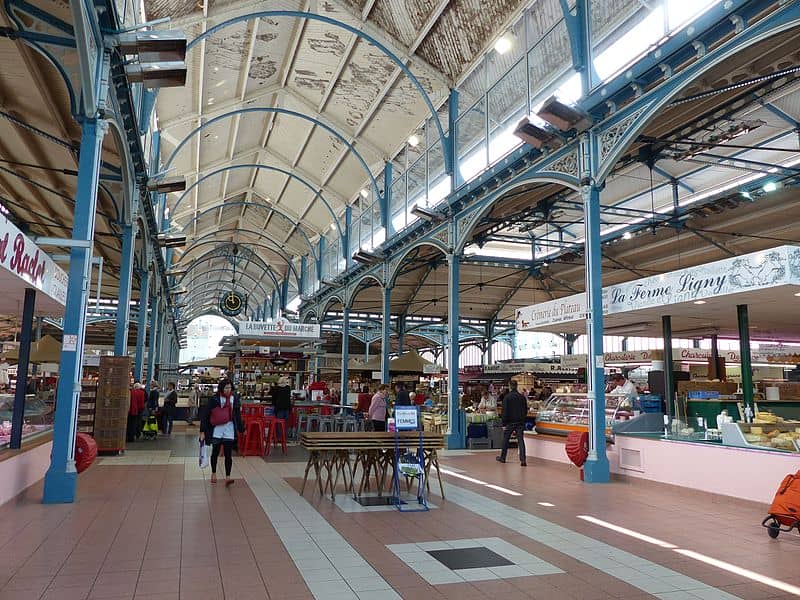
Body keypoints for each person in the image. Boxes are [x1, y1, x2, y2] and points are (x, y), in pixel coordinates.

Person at [200, 379, 244, 486]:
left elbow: (237, 415)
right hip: (216, 429)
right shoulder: (214, 399)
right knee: (215, 452)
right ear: (221, 388)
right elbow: (206, 415)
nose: (228, 390)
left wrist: (241, 429)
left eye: (229, 388)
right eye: (226, 388)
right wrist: (202, 431)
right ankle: (214, 473)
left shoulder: (235, 399)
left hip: (229, 428)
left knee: (228, 454)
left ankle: (228, 477)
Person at [496, 380, 527, 467]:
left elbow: (504, 411)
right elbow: (525, 410)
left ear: (510, 386)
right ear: (516, 386)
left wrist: (503, 423)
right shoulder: (522, 397)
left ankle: (503, 458)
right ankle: (523, 460)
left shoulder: (507, 397)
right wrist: (522, 419)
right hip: (520, 422)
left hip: (510, 422)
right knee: (520, 441)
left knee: (506, 440)